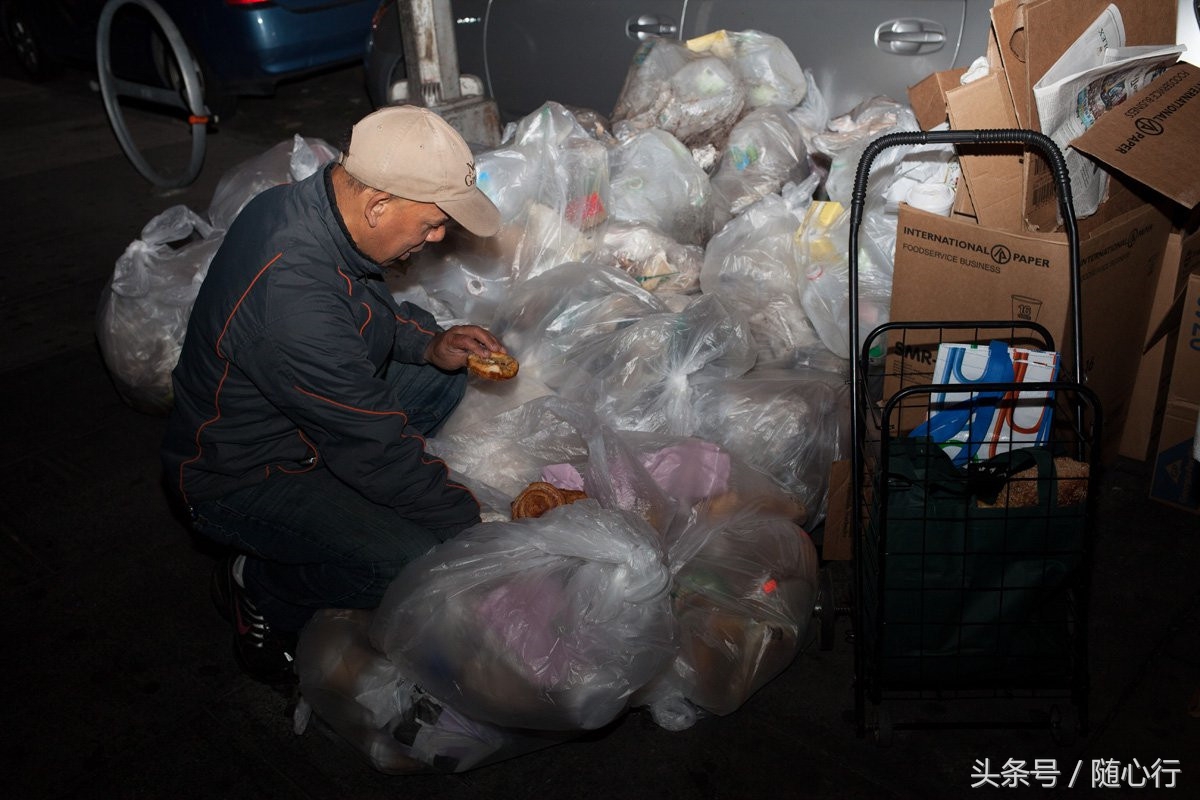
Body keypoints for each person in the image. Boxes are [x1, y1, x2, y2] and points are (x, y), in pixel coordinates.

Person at [161, 106, 505, 685]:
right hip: (243, 473)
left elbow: (366, 312)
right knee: (409, 557)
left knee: (445, 372)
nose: (439, 235)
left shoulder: (318, 209)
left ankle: (349, 508)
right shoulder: (291, 298)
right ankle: (262, 588)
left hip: (302, 418)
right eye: (432, 223)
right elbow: (371, 444)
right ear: (378, 206)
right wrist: (474, 528)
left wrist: (431, 344)